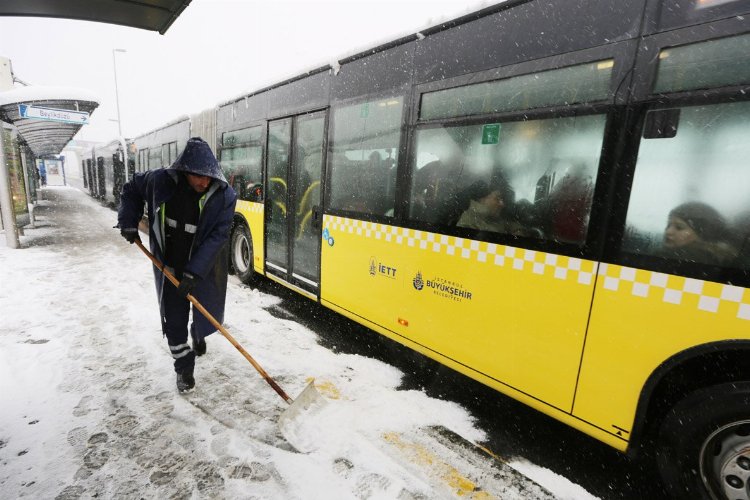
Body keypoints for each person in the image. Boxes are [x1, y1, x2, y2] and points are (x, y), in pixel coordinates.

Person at [117, 137, 237, 393]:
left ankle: (199, 332)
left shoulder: (224, 196)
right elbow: (131, 190)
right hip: (169, 265)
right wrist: (129, 220)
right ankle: (184, 367)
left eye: (208, 176)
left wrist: (194, 274)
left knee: (206, 311)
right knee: (173, 320)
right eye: (197, 176)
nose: (204, 182)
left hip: (204, 267)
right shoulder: (160, 181)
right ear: (184, 171)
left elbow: (218, 236)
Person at [659, 202, 737, 266]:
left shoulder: (673, 257)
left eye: (679, 227)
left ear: (703, 234)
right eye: (668, 225)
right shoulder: (722, 259)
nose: (668, 231)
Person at [456, 177, 526, 236]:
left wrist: (518, 230)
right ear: (482, 199)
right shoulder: (468, 222)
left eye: (502, 200)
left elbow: (509, 224)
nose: (502, 204)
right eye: (497, 198)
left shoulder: (493, 218)